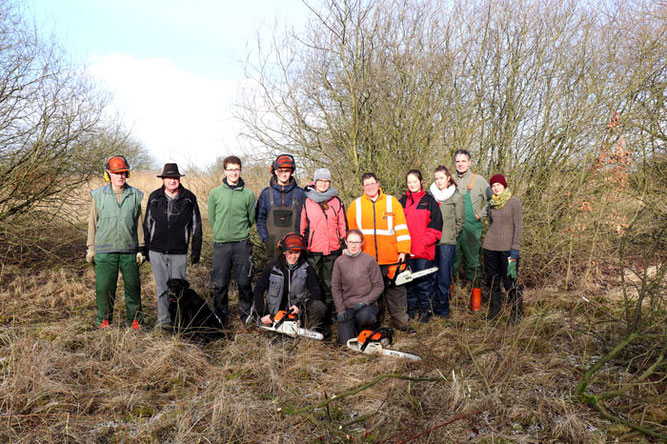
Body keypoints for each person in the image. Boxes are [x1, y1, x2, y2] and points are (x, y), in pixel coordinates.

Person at [346, 172, 415, 333]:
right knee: (371, 295)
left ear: (378, 183)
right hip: (367, 261)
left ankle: (402, 323)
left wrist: (403, 250)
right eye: (367, 184)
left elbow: (402, 229)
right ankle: (373, 324)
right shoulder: (355, 205)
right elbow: (351, 233)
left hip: (392, 258)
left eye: (373, 183)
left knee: (397, 293)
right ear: (362, 187)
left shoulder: (392, 202)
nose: (370, 187)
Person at [86, 155, 145, 329]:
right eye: (116, 173)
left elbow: (139, 224)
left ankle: (135, 321)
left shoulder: (135, 195)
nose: (120, 176)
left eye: (123, 173)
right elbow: (92, 223)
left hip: (129, 250)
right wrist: (91, 248)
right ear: (108, 175)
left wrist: (141, 248)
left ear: (127, 174)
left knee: (133, 288)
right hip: (105, 250)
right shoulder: (98, 196)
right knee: (104, 288)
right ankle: (104, 320)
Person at [144, 163, 202, 330]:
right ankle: (164, 323)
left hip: (179, 252)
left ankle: (180, 322)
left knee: (179, 291)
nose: (172, 181)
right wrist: (145, 249)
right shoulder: (154, 197)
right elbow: (147, 224)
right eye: (168, 178)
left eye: (175, 178)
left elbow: (196, 226)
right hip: (157, 251)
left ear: (179, 179)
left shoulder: (189, 198)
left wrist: (195, 251)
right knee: (162, 288)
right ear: (163, 180)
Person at [208, 156, 256, 324]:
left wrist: (239, 233)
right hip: (221, 245)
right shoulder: (215, 193)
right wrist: (221, 233)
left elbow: (251, 219)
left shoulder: (249, 194)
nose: (234, 173)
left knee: (244, 282)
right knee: (220, 284)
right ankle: (220, 318)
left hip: (242, 244)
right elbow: (212, 218)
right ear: (224, 171)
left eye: (236, 169)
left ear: (240, 170)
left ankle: (246, 316)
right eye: (230, 169)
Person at [300, 168, 347, 323]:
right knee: (313, 284)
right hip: (313, 250)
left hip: (333, 249)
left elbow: (342, 225)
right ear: (315, 182)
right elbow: (301, 226)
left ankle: (329, 315)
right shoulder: (307, 201)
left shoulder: (337, 201)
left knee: (330, 284)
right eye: (320, 181)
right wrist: (301, 246)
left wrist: (344, 244)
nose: (323, 184)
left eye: (326, 181)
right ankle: (314, 316)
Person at [254, 232, 327, 329]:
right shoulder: (273, 267)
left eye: (296, 253)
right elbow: (258, 289)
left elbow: (317, 292)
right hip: (275, 313)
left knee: (319, 307)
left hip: (297, 313)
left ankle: (307, 329)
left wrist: (300, 305)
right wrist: (263, 313)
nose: (293, 256)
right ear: (284, 251)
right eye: (290, 252)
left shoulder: (306, 267)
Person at [398, 169, 443, 323]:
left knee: (424, 282)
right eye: (409, 182)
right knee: (408, 282)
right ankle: (411, 309)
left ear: (421, 181)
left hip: (424, 251)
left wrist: (423, 242)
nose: (412, 184)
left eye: (415, 181)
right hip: (406, 251)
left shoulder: (429, 201)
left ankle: (426, 309)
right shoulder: (401, 202)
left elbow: (436, 227)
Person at [451, 150, 491, 305]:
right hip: (452, 227)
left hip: (471, 227)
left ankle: (475, 301)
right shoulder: (449, 179)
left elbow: (492, 198)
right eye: (457, 161)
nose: (460, 164)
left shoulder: (479, 180)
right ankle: (450, 299)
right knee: (450, 262)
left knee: (473, 263)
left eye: (463, 161)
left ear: (469, 162)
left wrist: (480, 214)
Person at [331, 230, 384, 345]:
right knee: (344, 344)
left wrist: (366, 301)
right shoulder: (339, 262)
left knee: (365, 317)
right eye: (350, 242)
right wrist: (340, 310)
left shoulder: (369, 260)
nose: (354, 245)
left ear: (362, 243)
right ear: (346, 242)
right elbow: (335, 287)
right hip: (348, 306)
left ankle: (367, 329)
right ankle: (352, 329)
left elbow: (379, 285)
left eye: (357, 242)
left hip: (366, 306)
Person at [482, 174, 523, 323]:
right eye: (493, 186)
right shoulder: (491, 204)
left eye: (498, 185)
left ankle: (517, 312)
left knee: (509, 281)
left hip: (508, 250)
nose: (496, 188)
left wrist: (515, 248)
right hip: (490, 248)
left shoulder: (514, 202)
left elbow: (518, 227)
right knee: (493, 281)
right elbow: (492, 224)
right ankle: (495, 310)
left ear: (504, 185)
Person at [429, 165, 464, 317]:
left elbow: (460, 221)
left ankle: (443, 308)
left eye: (441, 178)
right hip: (432, 242)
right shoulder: (430, 195)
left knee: (444, 275)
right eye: (436, 178)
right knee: (431, 275)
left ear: (448, 178)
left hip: (446, 243)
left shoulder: (456, 196)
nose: (438, 181)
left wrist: (451, 236)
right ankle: (431, 305)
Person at [256, 154, 306, 258]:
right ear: (274, 171)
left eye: (287, 171)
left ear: (291, 171)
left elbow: (306, 219)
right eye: (280, 171)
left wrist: (302, 239)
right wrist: (266, 239)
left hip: (295, 244)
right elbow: (260, 219)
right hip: (272, 244)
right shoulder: (266, 193)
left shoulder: (300, 193)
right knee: (274, 272)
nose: (284, 174)